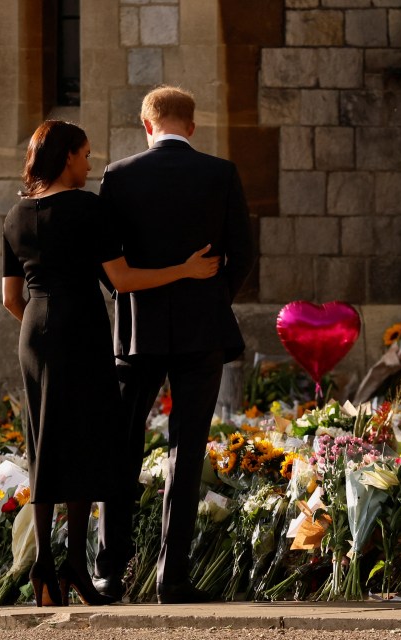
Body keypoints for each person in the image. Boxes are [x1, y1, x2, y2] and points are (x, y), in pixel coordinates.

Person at [1, 120, 220, 607]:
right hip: (80, 330)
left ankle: (44, 568)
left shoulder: (16, 214)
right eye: (83, 155)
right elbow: (122, 279)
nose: (89, 163)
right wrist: (183, 269)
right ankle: (76, 564)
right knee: (86, 440)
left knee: (43, 439)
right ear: (66, 159)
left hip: (33, 331)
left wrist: (41, 324)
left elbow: (10, 298)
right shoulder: (86, 208)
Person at [93, 85, 254, 604]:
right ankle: (172, 577)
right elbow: (243, 253)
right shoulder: (220, 173)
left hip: (137, 332)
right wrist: (210, 296)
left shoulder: (118, 176)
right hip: (200, 331)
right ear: (190, 125)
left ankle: (109, 572)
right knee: (186, 453)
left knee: (120, 446)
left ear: (147, 126)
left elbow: (106, 264)